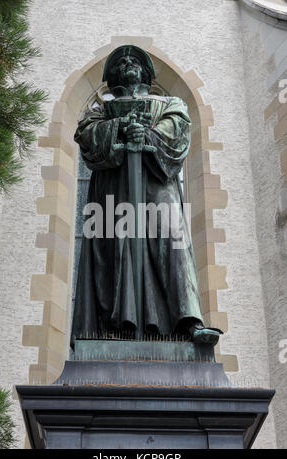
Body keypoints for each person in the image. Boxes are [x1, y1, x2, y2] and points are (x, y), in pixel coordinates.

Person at [70, 45, 222, 348]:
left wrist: (148, 135)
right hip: (112, 190)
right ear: (113, 76)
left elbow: (178, 129)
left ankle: (188, 323)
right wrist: (119, 129)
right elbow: (85, 135)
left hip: (157, 184)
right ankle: (114, 326)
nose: (128, 64)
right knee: (114, 249)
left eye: (135, 61)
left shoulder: (169, 103)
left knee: (172, 242)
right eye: (122, 62)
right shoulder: (99, 110)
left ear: (146, 72)